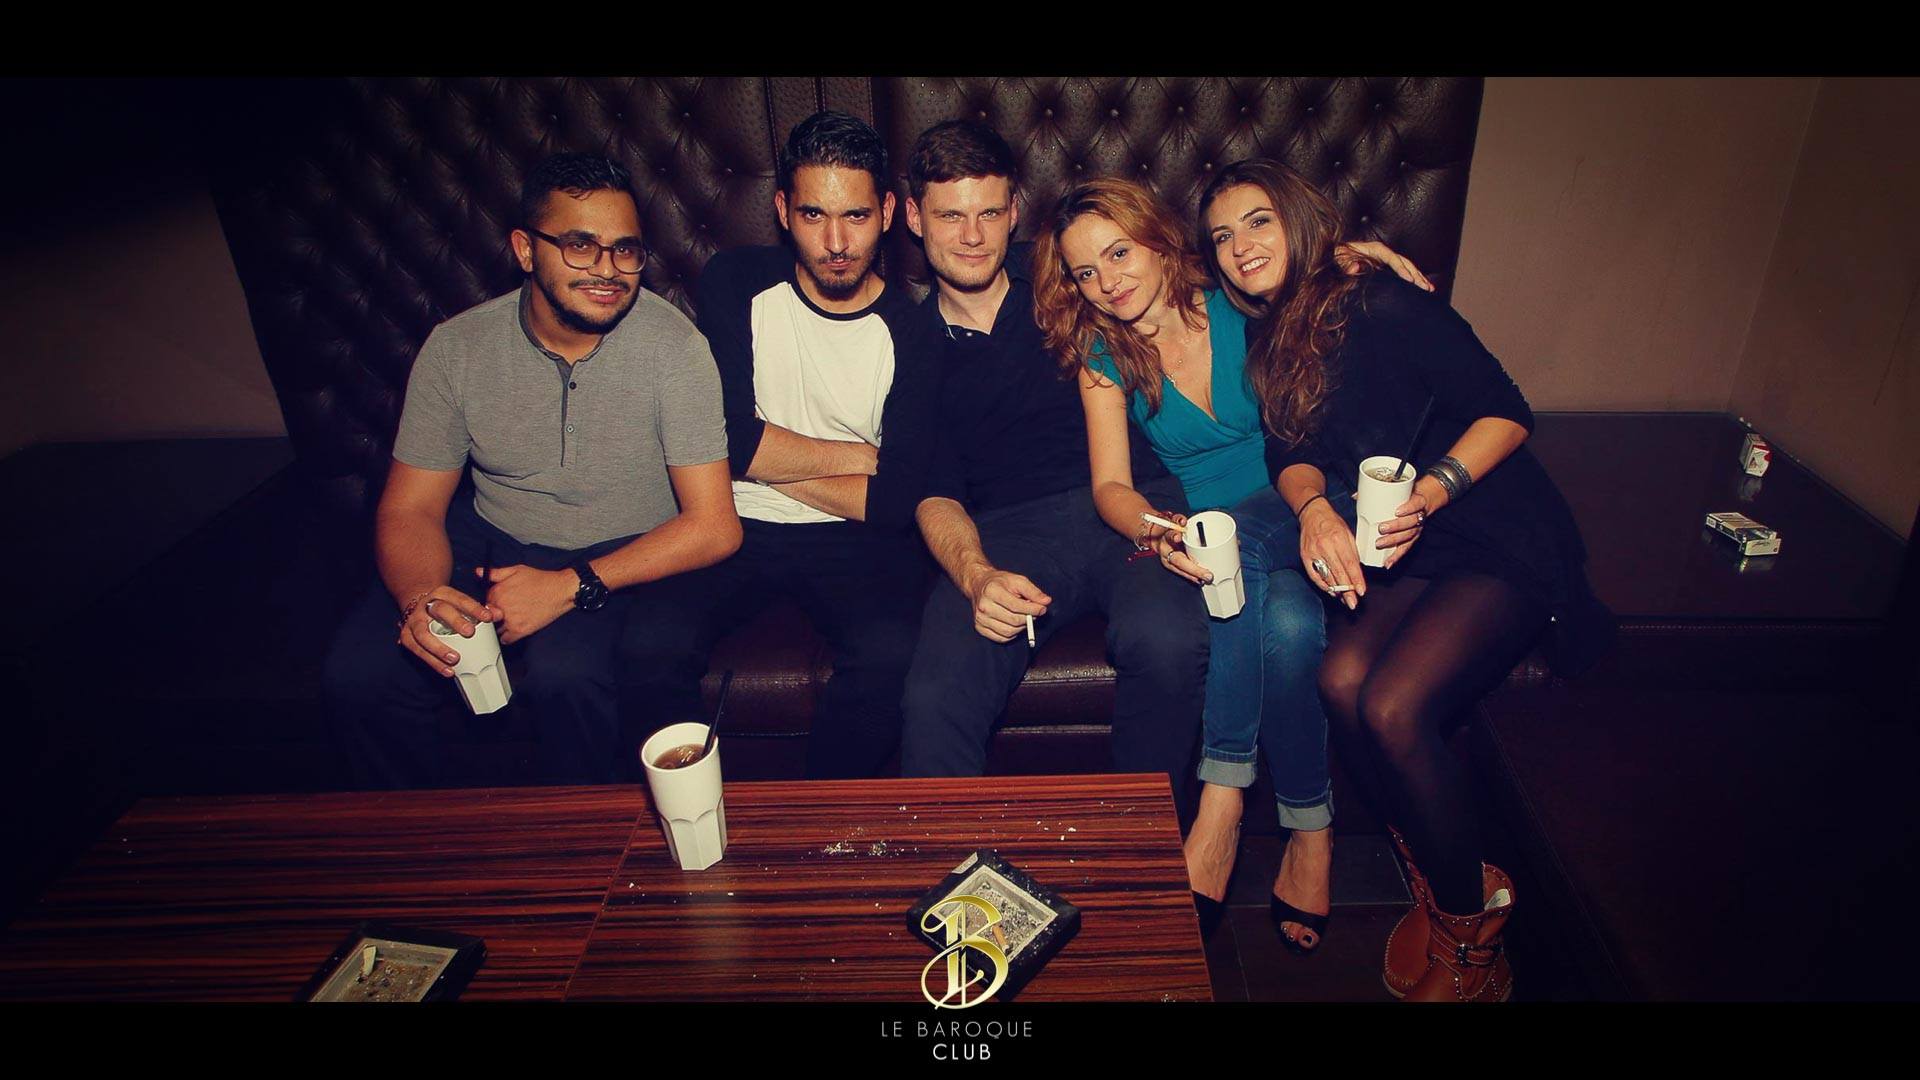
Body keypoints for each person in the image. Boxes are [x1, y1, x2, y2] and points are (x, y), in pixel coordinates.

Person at [1201, 158, 1612, 1000]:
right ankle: (1449, 871)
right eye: (1222, 236)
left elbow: (1508, 410)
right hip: (1406, 543)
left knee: (1392, 705)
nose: (1240, 246)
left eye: (1258, 221)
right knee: (1340, 680)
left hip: (1494, 532)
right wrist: (1314, 512)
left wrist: (1432, 491)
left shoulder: (1382, 303)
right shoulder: (1271, 335)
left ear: (1298, 220)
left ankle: (1472, 935)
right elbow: (1289, 451)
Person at [1034, 177, 1428, 951]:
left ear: (1157, 239)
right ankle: (1311, 831)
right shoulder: (1103, 356)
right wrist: (1162, 530)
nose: (1107, 280)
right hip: (1223, 532)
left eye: (1119, 253)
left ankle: (1221, 805)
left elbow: (1300, 270)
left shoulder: (1240, 302)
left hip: (1310, 502)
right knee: (1286, 625)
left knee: (1254, 578)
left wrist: (1351, 256)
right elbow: (1112, 489)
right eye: (1085, 271)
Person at [322, 153, 741, 788]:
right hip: (493, 536)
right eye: (580, 246)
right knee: (359, 676)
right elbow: (411, 508)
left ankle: (582, 841)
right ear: (525, 249)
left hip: (621, 544)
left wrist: (570, 585)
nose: (607, 269)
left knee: (566, 676)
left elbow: (714, 525)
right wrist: (421, 596)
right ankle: (422, 836)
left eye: (625, 250)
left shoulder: (674, 348)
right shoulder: (458, 348)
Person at [885, 122, 1209, 815]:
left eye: (989, 212)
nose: (973, 236)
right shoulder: (906, 344)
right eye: (950, 215)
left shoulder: (1069, 277)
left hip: (1131, 503)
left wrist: (1332, 259)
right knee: (935, 695)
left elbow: (1177, 266)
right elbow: (932, 493)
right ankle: (956, 872)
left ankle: (1141, 850)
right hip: (1007, 535)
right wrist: (976, 575)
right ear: (913, 217)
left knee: (1168, 639)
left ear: (1014, 212)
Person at [616, 112, 933, 779]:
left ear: (886, 213)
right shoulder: (735, 281)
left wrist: (761, 461)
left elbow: (895, 500)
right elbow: (726, 438)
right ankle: (700, 812)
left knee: (891, 654)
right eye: (814, 215)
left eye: (855, 216)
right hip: (730, 521)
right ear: (784, 210)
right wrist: (859, 457)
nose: (837, 243)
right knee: (648, 644)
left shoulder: (914, 332)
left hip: (853, 536)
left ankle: (815, 818)